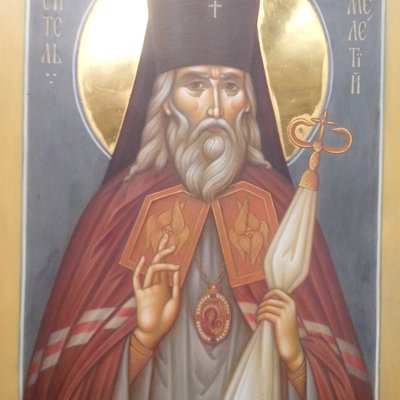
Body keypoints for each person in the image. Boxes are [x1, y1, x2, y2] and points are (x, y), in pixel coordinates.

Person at [25, 0, 372, 399]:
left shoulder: (283, 212)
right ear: (165, 100)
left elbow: (343, 387)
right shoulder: (115, 212)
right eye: (195, 86)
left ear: (248, 102)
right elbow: (64, 386)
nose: (215, 108)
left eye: (230, 86)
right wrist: (142, 339)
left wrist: (295, 358)